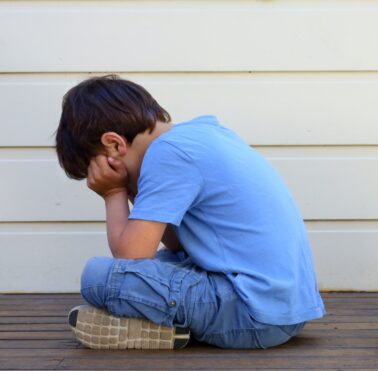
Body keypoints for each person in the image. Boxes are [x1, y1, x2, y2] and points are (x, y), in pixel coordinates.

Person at [55, 75, 325, 350]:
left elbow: (131, 257)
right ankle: (160, 326)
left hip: (252, 314)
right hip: (285, 308)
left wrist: (113, 193)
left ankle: (151, 327)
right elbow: (181, 244)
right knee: (166, 259)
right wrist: (137, 192)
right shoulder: (202, 135)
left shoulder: (168, 154)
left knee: (98, 278)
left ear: (114, 145)